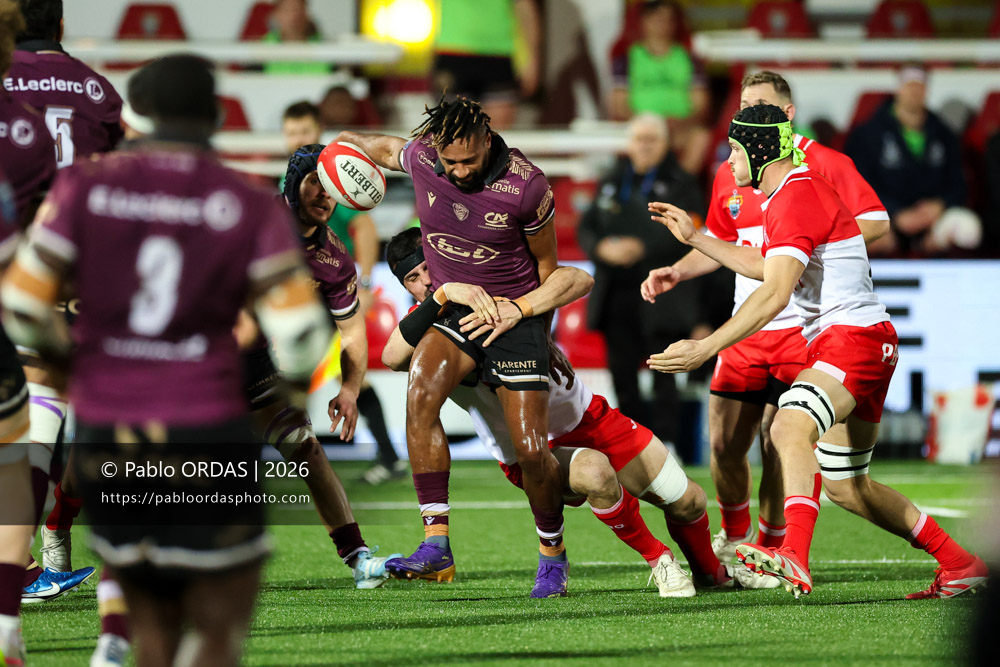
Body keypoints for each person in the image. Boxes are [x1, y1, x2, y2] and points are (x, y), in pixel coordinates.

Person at [0, 54, 332, 665]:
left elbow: (20, 302)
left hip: (109, 424)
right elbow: (306, 334)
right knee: (214, 630)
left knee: (146, 623)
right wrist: (287, 396)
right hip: (209, 424)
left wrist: (71, 362)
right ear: (213, 117)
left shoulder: (83, 190)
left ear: (133, 117)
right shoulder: (249, 204)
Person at [647, 103, 988, 599]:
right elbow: (762, 264)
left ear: (760, 151)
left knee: (787, 425)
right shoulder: (791, 193)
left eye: (737, 151)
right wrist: (697, 239)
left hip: (852, 339)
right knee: (849, 486)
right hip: (868, 340)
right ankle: (960, 563)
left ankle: (794, 556)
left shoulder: (795, 195)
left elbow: (775, 293)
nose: (730, 162)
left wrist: (706, 347)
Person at [380, 227, 764, 597]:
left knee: (689, 501)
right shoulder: (430, 333)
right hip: (533, 450)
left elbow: (579, 279)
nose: (426, 281)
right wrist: (443, 295)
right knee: (596, 473)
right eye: (413, 278)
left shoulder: (497, 285)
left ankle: (711, 573)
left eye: (429, 267)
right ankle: (658, 558)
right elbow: (392, 355)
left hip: (590, 417)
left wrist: (521, 307)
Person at [641, 70, 890, 575]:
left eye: (759, 105)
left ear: (785, 115)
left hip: (800, 325)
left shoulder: (819, 168)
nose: (745, 115)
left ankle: (778, 545)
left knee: (785, 435)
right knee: (724, 441)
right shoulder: (733, 170)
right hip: (747, 327)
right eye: (742, 105)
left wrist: (818, 240)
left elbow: (876, 223)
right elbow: (727, 243)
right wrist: (680, 267)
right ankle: (735, 540)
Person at [333, 96, 571, 598]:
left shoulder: (528, 187)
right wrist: (335, 148)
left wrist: (540, 331)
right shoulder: (423, 156)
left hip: (513, 313)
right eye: (450, 161)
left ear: (487, 140)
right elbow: (381, 147)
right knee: (420, 394)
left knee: (531, 450)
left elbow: (548, 270)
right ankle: (435, 543)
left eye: (469, 159)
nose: (459, 170)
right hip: (455, 310)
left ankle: (552, 551)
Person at [578, 113, 706, 460]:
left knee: (665, 370)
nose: (645, 146)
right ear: (629, 144)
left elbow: (692, 230)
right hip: (616, 291)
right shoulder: (611, 180)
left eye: (652, 139)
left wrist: (641, 248)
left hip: (662, 292)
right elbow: (587, 225)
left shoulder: (682, 182)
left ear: (665, 144)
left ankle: (668, 443)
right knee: (622, 373)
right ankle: (632, 444)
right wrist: (600, 247)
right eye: (639, 139)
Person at [844, 64, 979, 256]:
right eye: (909, 85)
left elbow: (958, 184)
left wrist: (939, 206)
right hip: (885, 217)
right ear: (898, 88)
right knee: (853, 232)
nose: (914, 91)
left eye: (920, 86)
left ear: (927, 90)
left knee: (967, 228)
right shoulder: (867, 133)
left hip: (932, 219)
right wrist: (895, 214)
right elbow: (858, 185)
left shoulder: (944, 133)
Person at [609, 0, 709, 175]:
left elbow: (701, 104)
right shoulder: (627, 59)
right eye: (657, 18)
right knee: (646, 138)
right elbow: (618, 104)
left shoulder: (690, 59)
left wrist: (680, 123)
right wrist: (649, 124)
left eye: (668, 19)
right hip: (640, 126)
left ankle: (678, 187)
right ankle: (641, 188)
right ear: (644, 21)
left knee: (701, 138)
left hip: (679, 128)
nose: (663, 24)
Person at [432, 0, 542, 129]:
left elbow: (526, 9)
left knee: (499, 134)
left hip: (499, 54)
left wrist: (532, 62)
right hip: (452, 52)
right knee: (453, 133)